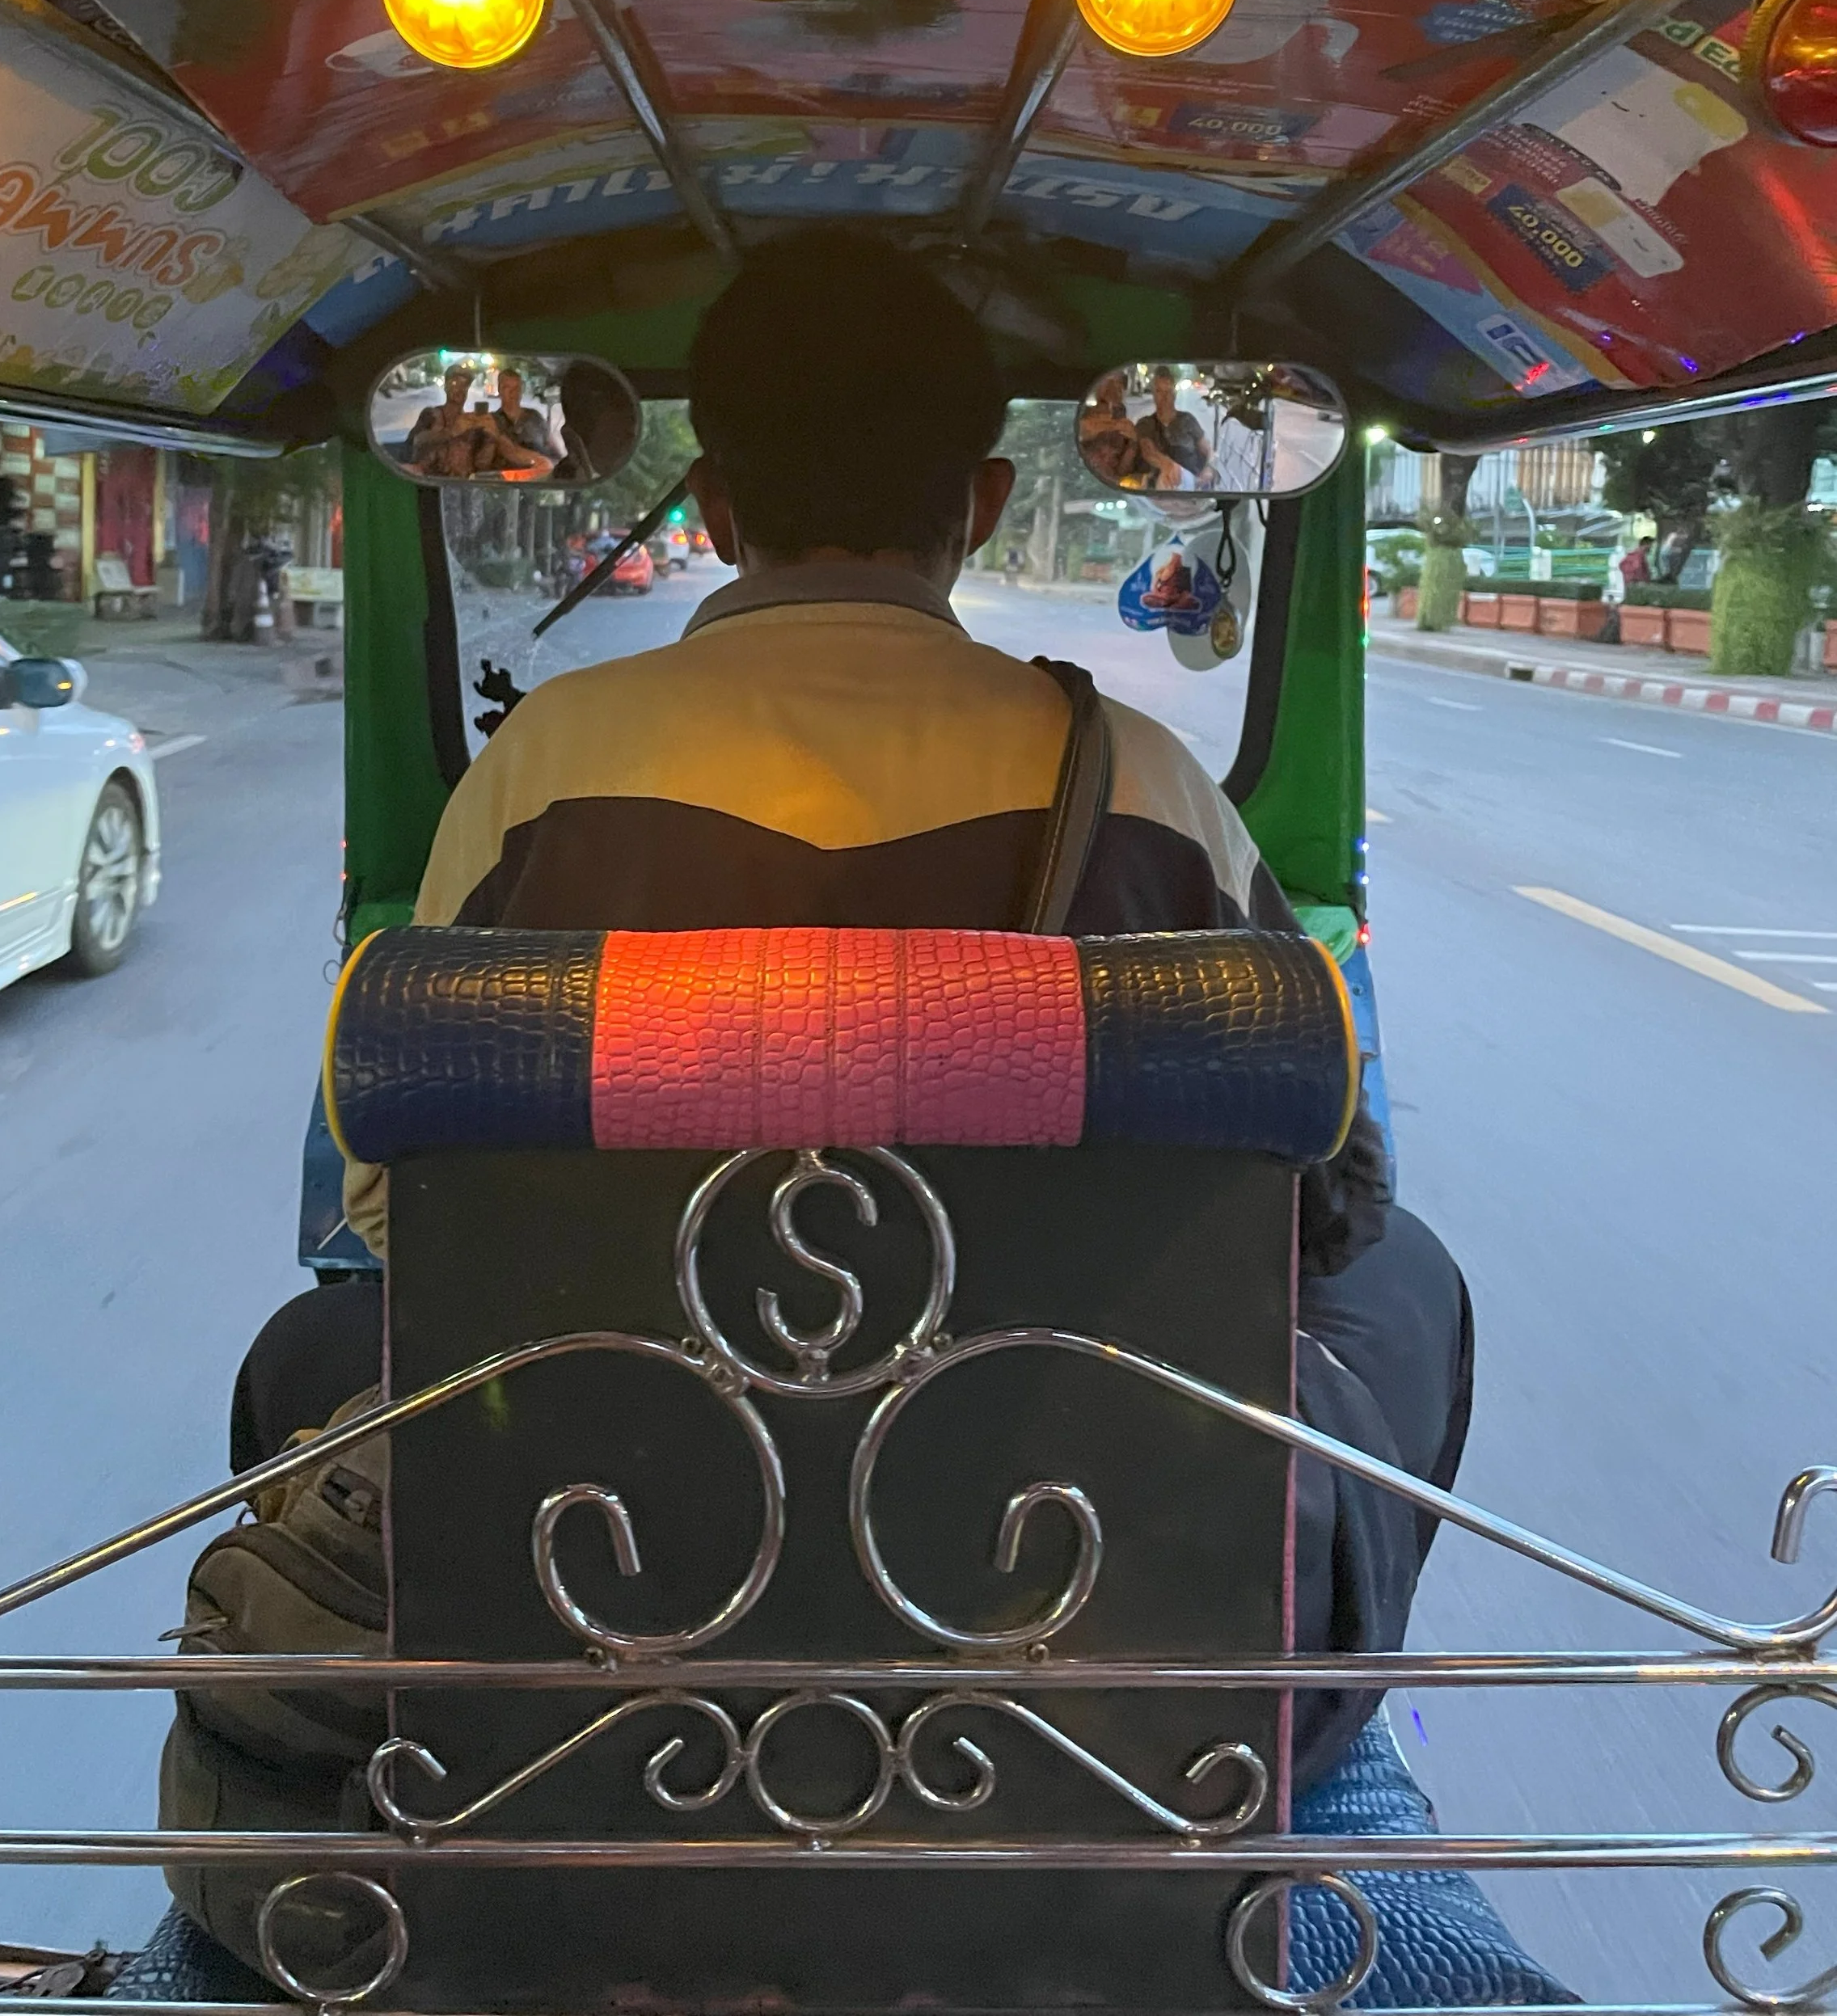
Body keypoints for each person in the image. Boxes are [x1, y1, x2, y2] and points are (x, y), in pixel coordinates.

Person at [233, 230, 1468, 1790]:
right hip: (1068, 1530)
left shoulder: (545, 768)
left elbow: (393, 1205)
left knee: (317, 1344)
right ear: (987, 501)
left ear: (719, 505)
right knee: (1403, 1279)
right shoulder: (1149, 787)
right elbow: (1328, 1201)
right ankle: (1285, 1736)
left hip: (611, 1529)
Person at [1134, 368, 1217, 491]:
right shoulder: (1145, 423)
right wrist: (1167, 465)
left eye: (1168, 391)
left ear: (1175, 394)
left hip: (1192, 486)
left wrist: (1208, 469)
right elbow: (1148, 451)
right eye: (1159, 391)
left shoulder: (1188, 420)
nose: (1165, 397)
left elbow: (1206, 449)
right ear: (1154, 395)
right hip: (1156, 490)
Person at [402, 363, 489, 480]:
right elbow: (413, 443)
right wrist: (451, 433)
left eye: (464, 385)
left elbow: (482, 464)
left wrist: (492, 438)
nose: (459, 388)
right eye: (454, 383)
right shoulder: (432, 415)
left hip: (464, 487)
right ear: (445, 387)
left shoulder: (471, 424)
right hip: (432, 485)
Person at [479, 366, 553, 480]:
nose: (513, 393)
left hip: (536, 481)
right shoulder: (492, 421)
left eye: (517, 388)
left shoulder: (535, 418)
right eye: (507, 388)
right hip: (504, 484)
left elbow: (549, 445)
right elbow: (503, 452)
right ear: (499, 390)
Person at [1075, 369, 1142, 487]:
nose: (1113, 388)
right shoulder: (1086, 413)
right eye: (1108, 382)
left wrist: (1133, 440)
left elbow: (1124, 468)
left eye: (1119, 384)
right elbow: (1083, 430)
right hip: (1085, 479)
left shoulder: (1121, 414)